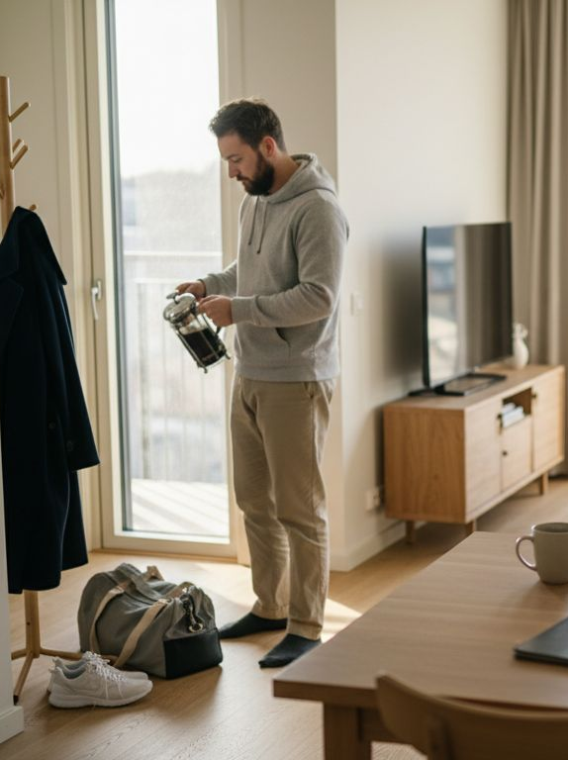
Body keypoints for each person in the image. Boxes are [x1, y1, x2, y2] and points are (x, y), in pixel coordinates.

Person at [176, 98, 348, 668]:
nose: (232, 172)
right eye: (227, 161)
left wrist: (240, 310)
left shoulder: (318, 208)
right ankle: (271, 606)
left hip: (297, 380)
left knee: (300, 509)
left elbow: (319, 296)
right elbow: (247, 272)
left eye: (236, 159)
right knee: (254, 501)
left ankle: (307, 626)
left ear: (268, 147)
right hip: (248, 372)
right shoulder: (256, 201)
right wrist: (208, 285)